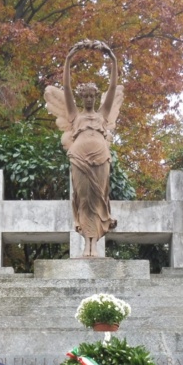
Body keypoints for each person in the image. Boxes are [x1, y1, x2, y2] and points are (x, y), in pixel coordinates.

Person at [45, 40, 124, 257]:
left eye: (92, 96)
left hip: (101, 158)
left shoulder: (103, 115)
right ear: (82, 98)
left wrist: (113, 60)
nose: (89, 99)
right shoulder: (74, 115)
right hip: (79, 158)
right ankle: (85, 245)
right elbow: (67, 89)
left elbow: (112, 88)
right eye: (86, 96)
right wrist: (68, 60)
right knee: (83, 199)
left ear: (95, 97)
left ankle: (94, 246)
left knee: (98, 199)